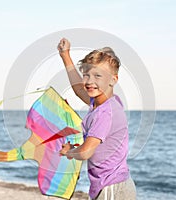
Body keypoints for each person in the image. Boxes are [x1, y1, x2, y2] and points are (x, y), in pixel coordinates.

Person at [57, 38, 136, 200]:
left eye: (97, 76)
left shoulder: (105, 112)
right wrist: (65, 55)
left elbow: (86, 152)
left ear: (113, 80)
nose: (89, 81)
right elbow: (79, 89)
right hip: (111, 186)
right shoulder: (104, 102)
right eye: (86, 75)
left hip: (112, 189)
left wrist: (70, 152)